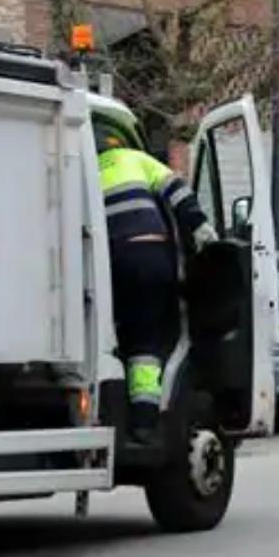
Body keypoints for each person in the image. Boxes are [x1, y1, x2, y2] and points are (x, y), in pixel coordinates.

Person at [96, 123, 218, 443]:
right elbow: (176, 190)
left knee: (123, 330)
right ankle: (145, 422)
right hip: (151, 256)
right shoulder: (136, 159)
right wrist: (200, 228)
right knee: (147, 343)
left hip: (114, 261)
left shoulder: (87, 171)